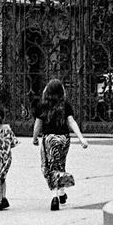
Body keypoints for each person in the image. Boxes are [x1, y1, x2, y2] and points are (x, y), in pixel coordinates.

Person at [32, 79, 89, 210]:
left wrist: (35, 138)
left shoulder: (42, 105)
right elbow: (71, 122)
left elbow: (38, 124)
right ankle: (62, 193)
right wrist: (81, 138)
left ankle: (55, 196)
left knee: (49, 167)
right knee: (60, 164)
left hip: (50, 139)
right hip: (64, 139)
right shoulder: (65, 105)